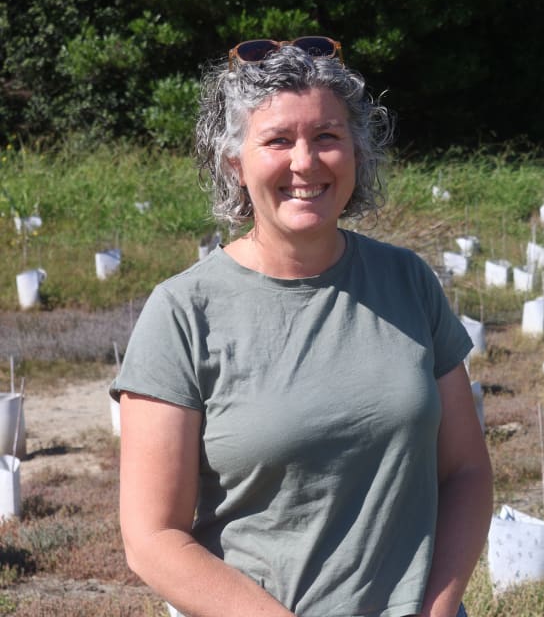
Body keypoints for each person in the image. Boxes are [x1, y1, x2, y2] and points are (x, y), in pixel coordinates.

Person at [113, 37, 493, 617]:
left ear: (357, 153)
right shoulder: (183, 313)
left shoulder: (408, 282)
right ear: (234, 164)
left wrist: (434, 609)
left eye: (327, 137)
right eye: (277, 140)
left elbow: (466, 471)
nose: (304, 161)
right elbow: (152, 539)